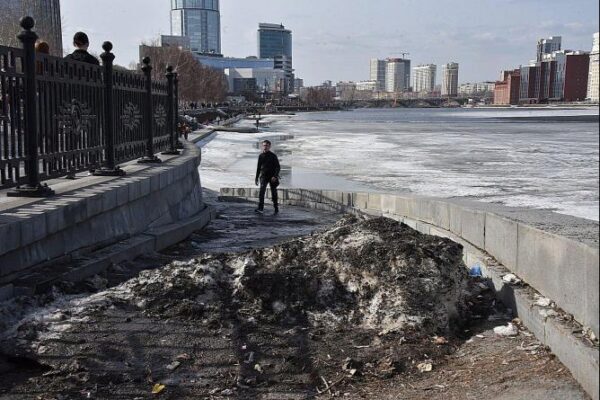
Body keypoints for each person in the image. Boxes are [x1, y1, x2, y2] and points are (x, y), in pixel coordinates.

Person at [255, 140, 281, 215]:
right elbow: (258, 168)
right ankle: (260, 208)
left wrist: (275, 176)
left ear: (269, 146)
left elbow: (278, 167)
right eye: (264, 145)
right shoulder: (260, 156)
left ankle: (276, 208)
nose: (265, 147)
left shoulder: (273, 156)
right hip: (263, 176)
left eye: (266, 145)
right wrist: (256, 178)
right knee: (261, 192)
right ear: (262, 146)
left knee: (274, 193)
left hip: (272, 177)